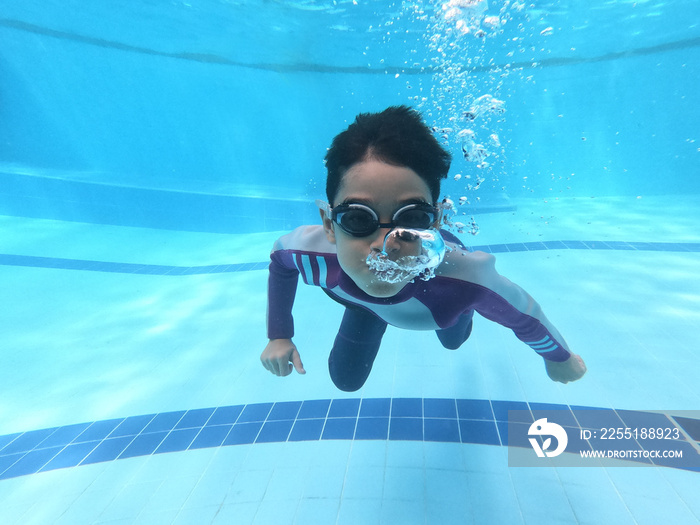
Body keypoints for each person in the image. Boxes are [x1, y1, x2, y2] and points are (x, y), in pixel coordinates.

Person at [261, 105, 586, 391]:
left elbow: (526, 316)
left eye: (413, 219)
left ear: (436, 222)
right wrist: (279, 334)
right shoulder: (310, 254)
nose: (385, 245)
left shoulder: (465, 279)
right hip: (362, 305)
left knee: (454, 341)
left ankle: (462, 316)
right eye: (359, 219)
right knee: (345, 381)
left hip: (443, 306)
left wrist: (559, 357)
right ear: (329, 225)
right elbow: (280, 263)